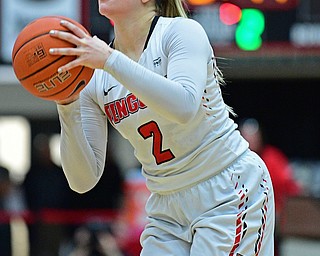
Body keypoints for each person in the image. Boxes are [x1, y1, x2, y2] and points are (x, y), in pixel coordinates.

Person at [49, 0, 275, 255]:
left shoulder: (180, 32)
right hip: (166, 205)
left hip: (226, 188)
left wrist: (111, 60)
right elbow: (83, 180)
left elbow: (184, 106)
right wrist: (66, 103)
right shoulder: (96, 75)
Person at [239, 118, 303, 256]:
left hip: (272, 219)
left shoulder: (273, 158)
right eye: (247, 136)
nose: (251, 140)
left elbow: (292, 187)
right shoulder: (234, 161)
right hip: (243, 220)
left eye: (254, 136)